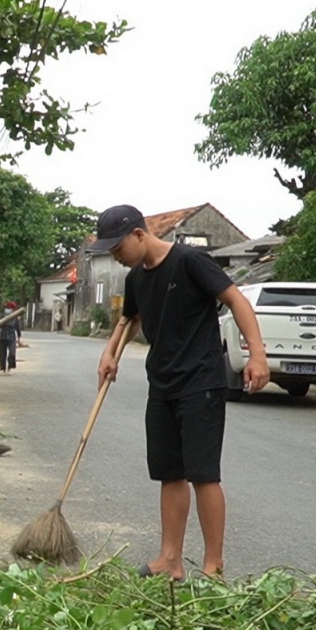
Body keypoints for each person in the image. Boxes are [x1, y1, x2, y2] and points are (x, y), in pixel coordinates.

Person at [90, 205, 269, 581]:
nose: (116, 256)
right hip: (163, 383)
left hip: (201, 381)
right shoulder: (136, 278)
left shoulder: (191, 261)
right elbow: (129, 319)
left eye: (118, 247)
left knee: (203, 474)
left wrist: (256, 354)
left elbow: (237, 300)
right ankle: (170, 559)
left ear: (139, 234)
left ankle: (213, 566)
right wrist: (110, 353)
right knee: (169, 473)